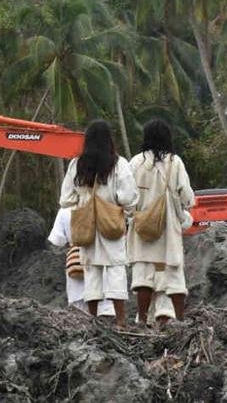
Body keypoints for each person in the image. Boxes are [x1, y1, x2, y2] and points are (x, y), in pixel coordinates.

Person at [59, 120, 139, 327]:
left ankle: (93, 320)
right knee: (115, 269)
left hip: (86, 226)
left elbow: (66, 199)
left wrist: (84, 203)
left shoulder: (77, 165)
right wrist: (123, 212)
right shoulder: (119, 164)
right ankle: (120, 320)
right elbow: (129, 197)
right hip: (111, 223)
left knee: (91, 270)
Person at [127, 119, 195, 325]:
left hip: (142, 228)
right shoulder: (175, 162)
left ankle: (141, 320)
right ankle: (177, 321)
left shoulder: (135, 162)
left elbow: (128, 198)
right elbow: (187, 197)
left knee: (143, 277)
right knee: (173, 277)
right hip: (168, 230)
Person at [47, 208, 117, 317]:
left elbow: (58, 241)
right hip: (102, 266)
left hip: (76, 268)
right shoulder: (101, 205)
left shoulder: (64, 210)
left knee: (80, 318)